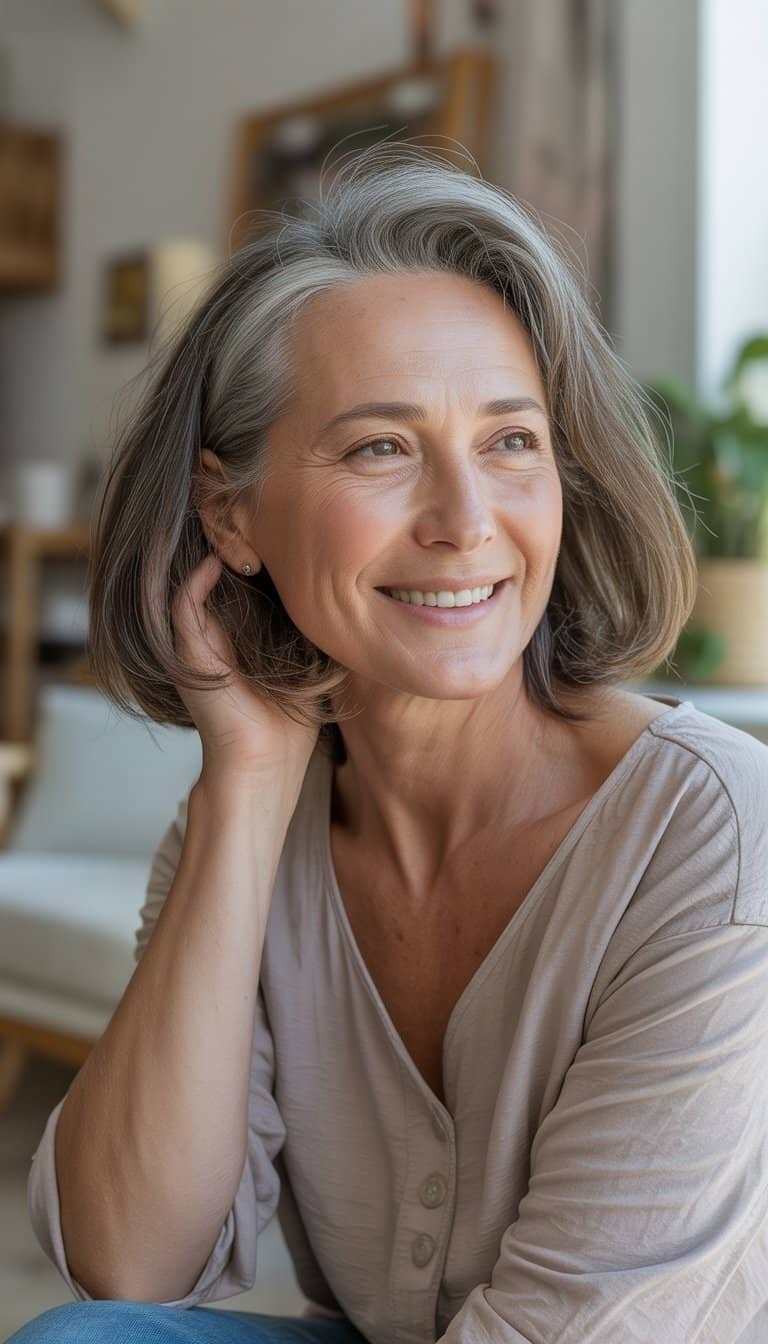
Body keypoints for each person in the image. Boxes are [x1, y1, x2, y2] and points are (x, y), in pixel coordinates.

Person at [11, 142, 768, 1344]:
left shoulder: (715, 830)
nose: (468, 524)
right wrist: (248, 787)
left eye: (512, 442)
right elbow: (131, 1260)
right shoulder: (252, 825)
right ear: (231, 514)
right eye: (382, 447)